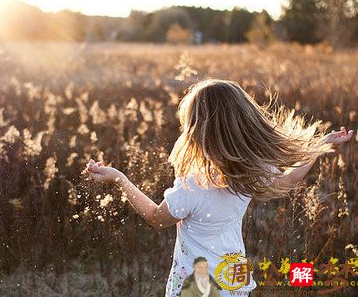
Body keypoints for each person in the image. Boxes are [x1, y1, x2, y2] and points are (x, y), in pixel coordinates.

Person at [85, 78, 354, 297]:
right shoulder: (250, 172)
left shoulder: (193, 186)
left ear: (197, 130)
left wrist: (119, 178)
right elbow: (286, 179)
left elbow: (157, 218)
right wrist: (319, 149)